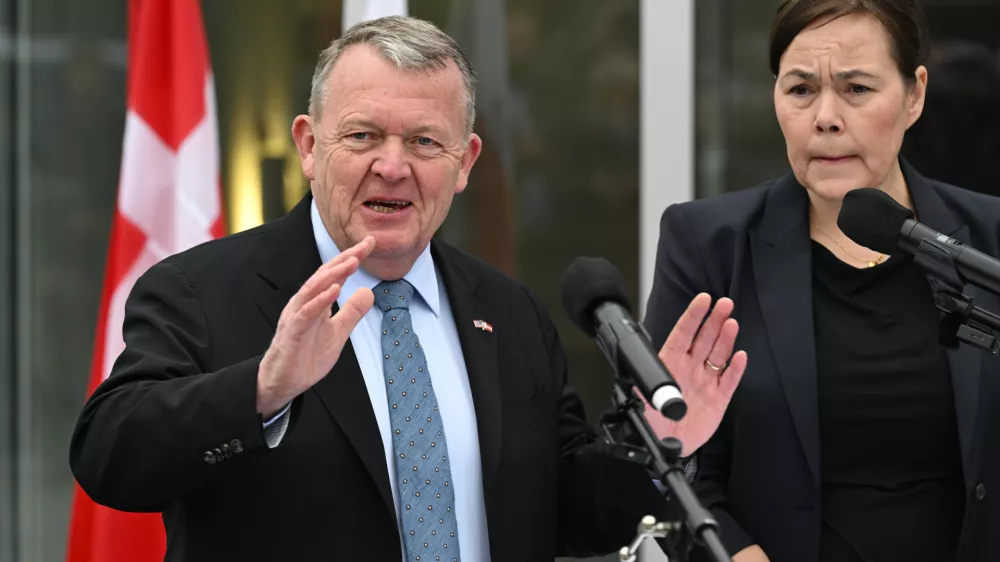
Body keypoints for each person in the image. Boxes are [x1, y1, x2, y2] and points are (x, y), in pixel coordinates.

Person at [69, 16, 746, 562]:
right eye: (363, 135)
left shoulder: (507, 313)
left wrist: (656, 445)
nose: (391, 167)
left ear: (465, 163)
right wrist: (263, 390)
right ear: (308, 145)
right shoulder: (200, 289)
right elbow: (109, 457)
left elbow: (567, 513)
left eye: (424, 142)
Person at [643, 1, 1000, 561]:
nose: (826, 117)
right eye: (802, 90)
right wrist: (735, 552)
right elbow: (670, 455)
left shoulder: (987, 238)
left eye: (856, 89)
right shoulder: (709, 244)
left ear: (915, 95)